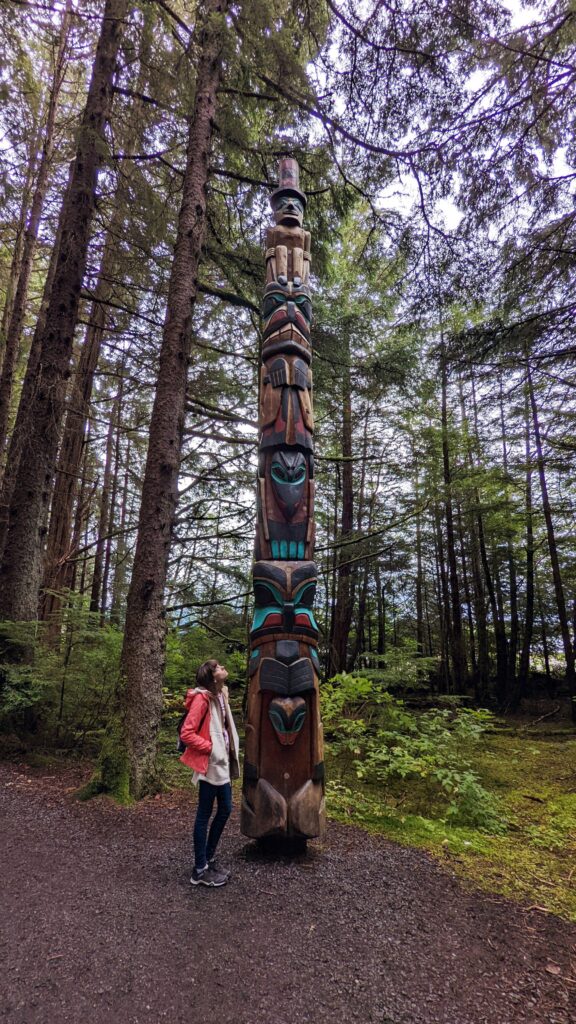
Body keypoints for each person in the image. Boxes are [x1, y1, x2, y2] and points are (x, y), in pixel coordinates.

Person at [179, 659, 240, 888]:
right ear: (213, 676)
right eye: (219, 667)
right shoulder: (201, 699)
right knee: (204, 814)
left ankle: (208, 857)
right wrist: (211, 748)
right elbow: (187, 733)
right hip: (210, 765)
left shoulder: (220, 695)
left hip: (222, 763)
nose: (224, 668)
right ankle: (199, 870)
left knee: (225, 809)